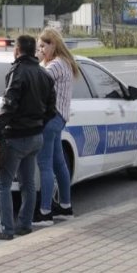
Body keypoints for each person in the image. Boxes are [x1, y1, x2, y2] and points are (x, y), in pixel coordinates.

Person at [0, 34, 56, 243]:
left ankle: (5, 230)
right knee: (28, 183)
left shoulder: (17, 72)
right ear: (34, 51)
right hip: (35, 137)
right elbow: (52, 110)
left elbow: (8, 106)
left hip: (16, 137)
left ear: (17, 50)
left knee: (2, 184)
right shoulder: (44, 75)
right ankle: (25, 225)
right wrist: (39, 124)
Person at [34, 27, 80, 225]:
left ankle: (45, 212)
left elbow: (38, 80)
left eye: (44, 45)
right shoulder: (64, 62)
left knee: (45, 165)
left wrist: (34, 61)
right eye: (39, 46)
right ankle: (65, 206)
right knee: (58, 163)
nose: (41, 49)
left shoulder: (56, 65)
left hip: (50, 119)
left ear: (53, 45)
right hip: (59, 118)